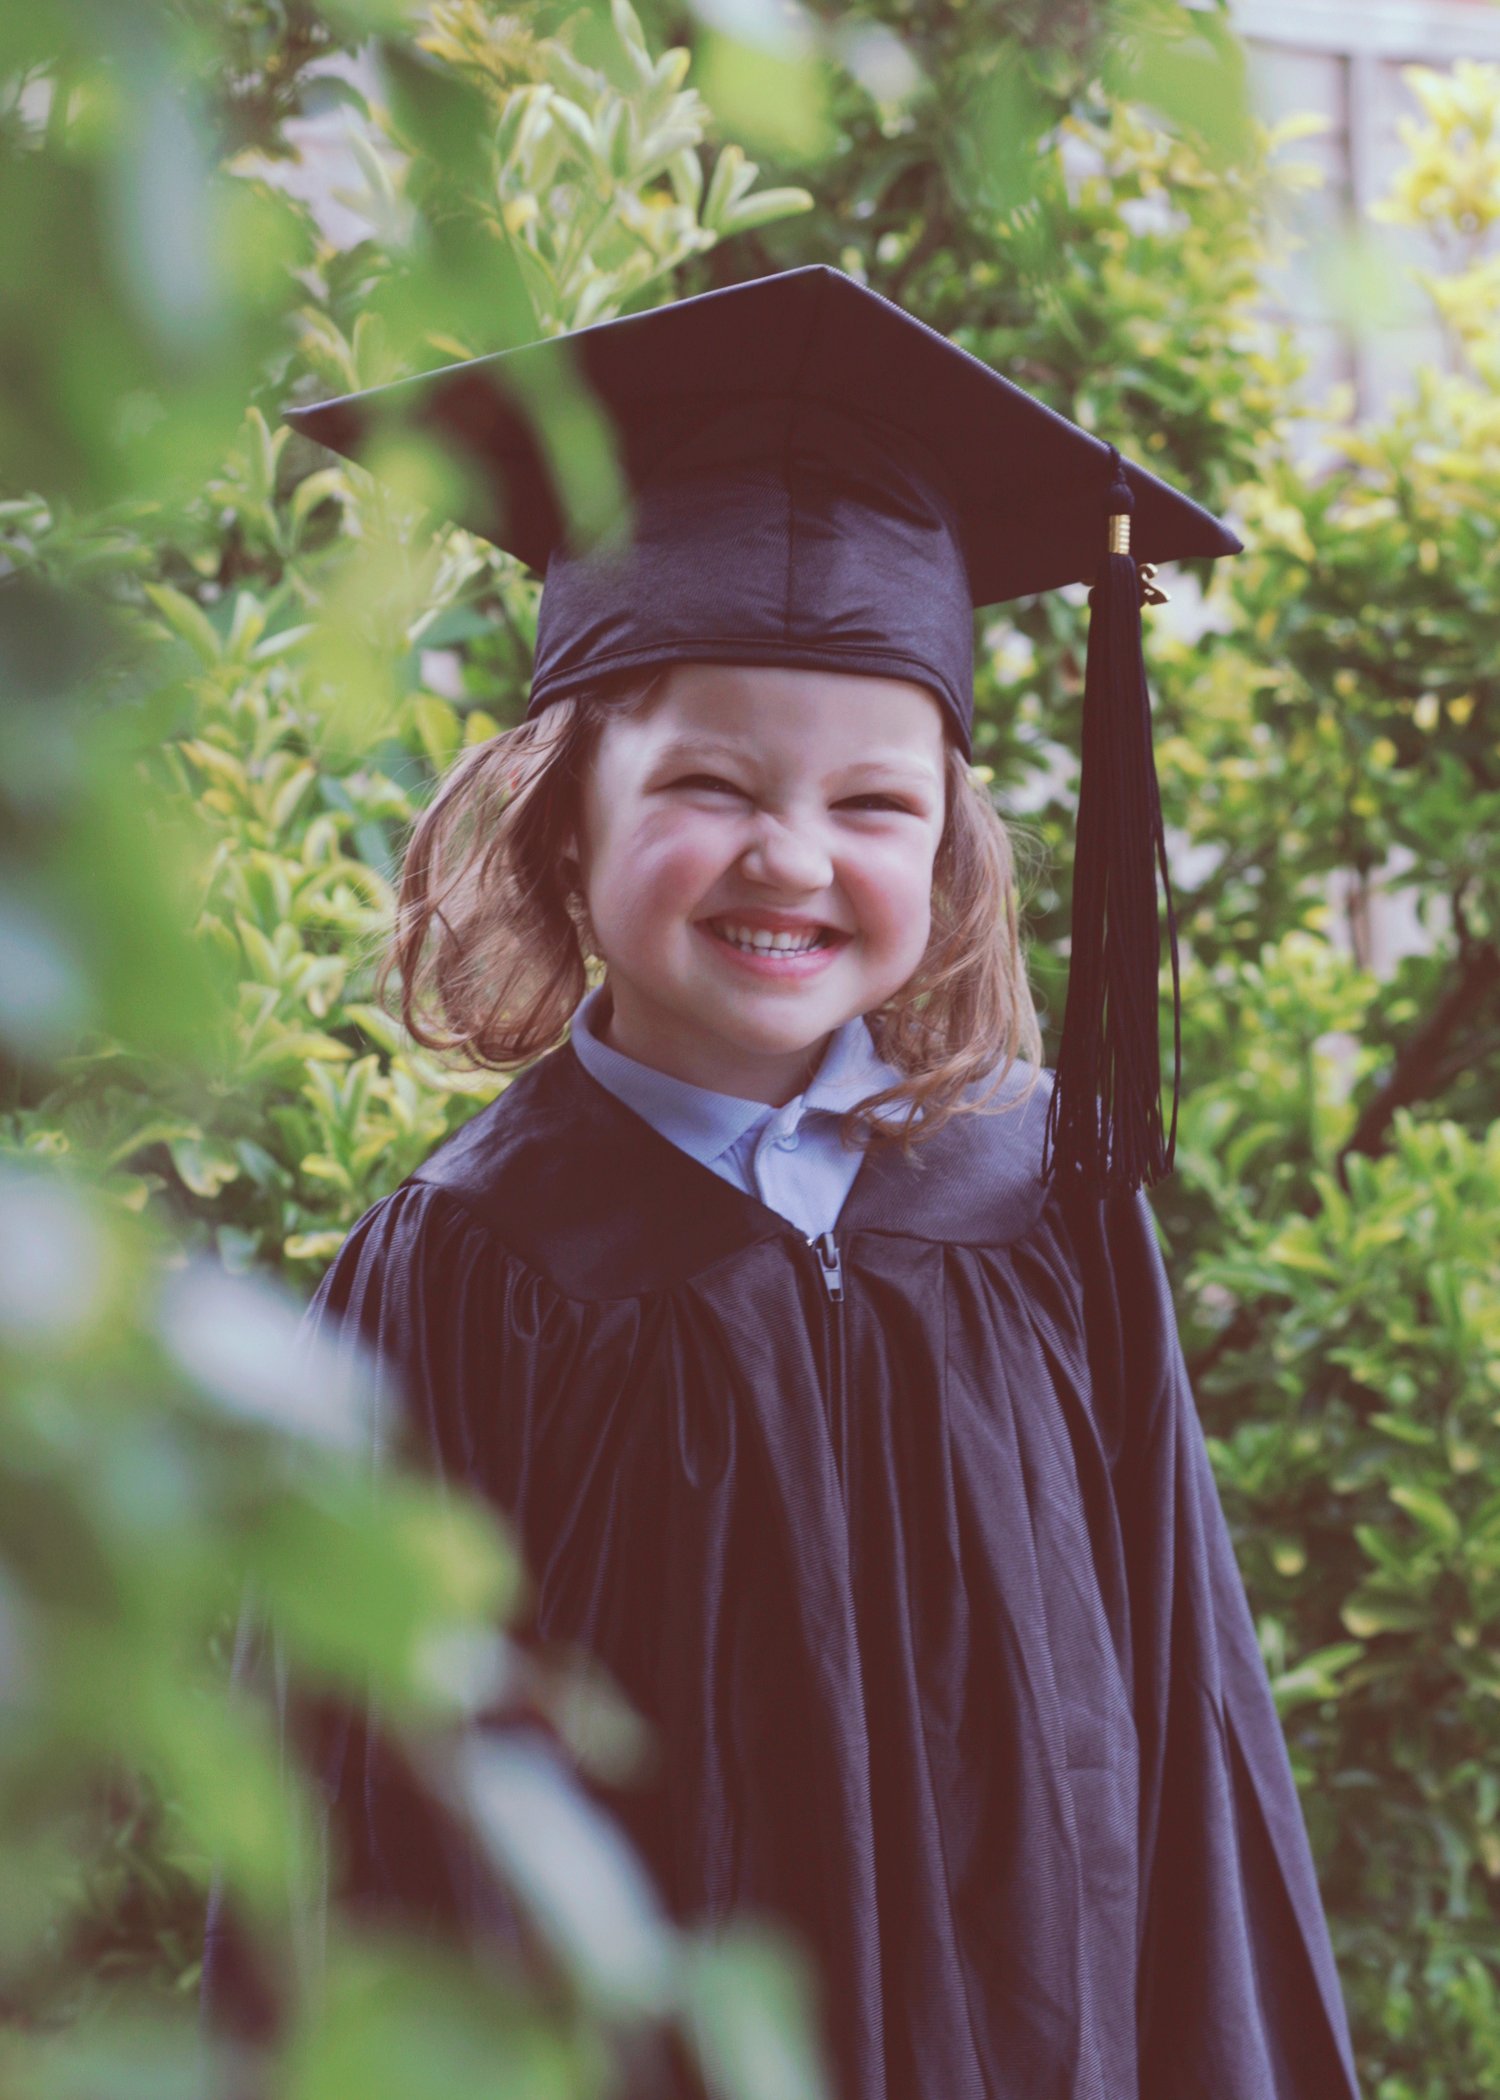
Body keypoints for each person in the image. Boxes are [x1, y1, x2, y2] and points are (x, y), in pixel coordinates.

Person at [202, 266, 1362, 2099]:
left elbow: (1187, 1726)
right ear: (564, 813)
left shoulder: (1046, 1211)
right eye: (712, 783)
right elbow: (353, 1813)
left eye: (874, 805)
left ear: (953, 845)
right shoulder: (469, 1265)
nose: (792, 857)